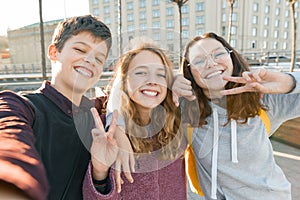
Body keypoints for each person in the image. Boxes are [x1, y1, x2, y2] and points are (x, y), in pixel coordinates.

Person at [0, 15, 118, 200]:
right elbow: (8, 137)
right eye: (80, 49)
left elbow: (133, 93)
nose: (90, 61)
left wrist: (173, 83)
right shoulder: (22, 106)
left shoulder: (97, 114)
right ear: (54, 52)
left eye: (99, 58)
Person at [179, 32, 300, 200]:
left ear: (232, 57)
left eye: (219, 53)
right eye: (199, 61)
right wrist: (170, 81)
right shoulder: (185, 109)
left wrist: (290, 81)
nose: (211, 63)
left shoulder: (263, 100)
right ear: (190, 72)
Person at [83, 43, 188, 199]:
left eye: (160, 74)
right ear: (123, 82)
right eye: (141, 72)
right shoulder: (104, 130)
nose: (152, 81)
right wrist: (99, 172)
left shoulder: (176, 126)